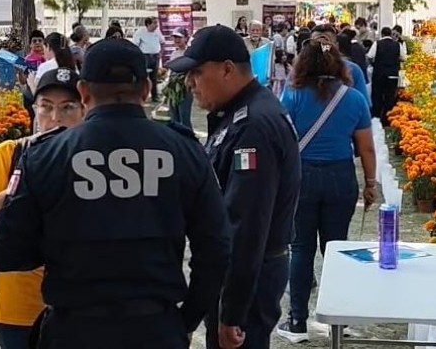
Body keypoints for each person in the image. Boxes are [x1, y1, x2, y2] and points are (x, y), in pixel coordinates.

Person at [0, 39, 231, 349]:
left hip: (73, 331)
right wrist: (185, 321)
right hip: (156, 330)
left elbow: (9, 253)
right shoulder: (185, 150)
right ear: (146, 89)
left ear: (83, 92)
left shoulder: (45, 156)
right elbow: (216, 250)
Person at [168, 25, 300, 349]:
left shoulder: (252, 127)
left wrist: (233, 312)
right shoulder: (239, 114)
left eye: (197, 73)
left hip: (250, 274)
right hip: (245, 271)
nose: (189, 83)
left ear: (227, 69)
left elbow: (246, 225)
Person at [0, 68, 85, 349]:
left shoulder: (93, 162)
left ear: (84, 110)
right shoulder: (10, 154)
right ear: (34, 110)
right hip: (17, 307)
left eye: (68, 108)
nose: (56, 118)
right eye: (47, 107)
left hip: (78, 303)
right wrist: (8, 197)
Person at [276, 37, 377, 343]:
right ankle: (340, 319)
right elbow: (367, 149)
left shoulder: (291, 95)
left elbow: (281, 138)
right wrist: (370, 184)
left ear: (301, 63)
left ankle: (297, 322)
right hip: (340, 177)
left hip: (301, 177)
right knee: (337, 249)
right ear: (338, 63)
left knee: (301, 249)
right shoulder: (355, 98)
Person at [368, 26, 407, 127]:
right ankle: (387, 120)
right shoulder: (398, 45)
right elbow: (403, 58)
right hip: (392, 75)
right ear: (390, 34)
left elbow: (370, 56)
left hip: (379, 75)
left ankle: (376, 118)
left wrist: (375, 65)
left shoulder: (377, 43)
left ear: (382, 34)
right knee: (389, 97)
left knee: (377, 96)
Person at [132, 17, 166, 103]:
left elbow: (162, 42)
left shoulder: (157, 32)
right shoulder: (140, 32)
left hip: (155, 56)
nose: (156, 25)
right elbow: (135, 45)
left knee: (154, 77)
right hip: (145, 56)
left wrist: (160, 53)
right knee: (143, 76)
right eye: (154, 23)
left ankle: (155, 96)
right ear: (148, 24)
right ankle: (142, 95)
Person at [167, 28, 194, 130]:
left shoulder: (189, 53)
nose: (176, 40)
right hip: (173, 89)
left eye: (179, 37)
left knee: (184, 118)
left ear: (186, 38)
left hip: (184, 88)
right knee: (174, 118)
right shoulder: (174, 53)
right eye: (174, 37)